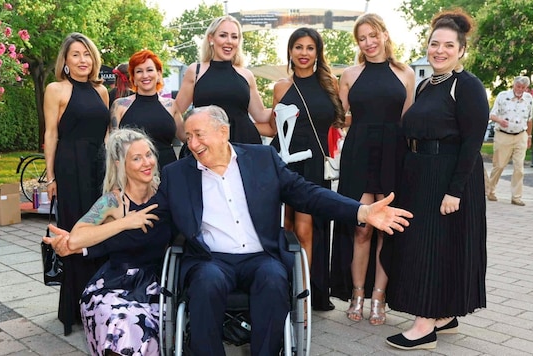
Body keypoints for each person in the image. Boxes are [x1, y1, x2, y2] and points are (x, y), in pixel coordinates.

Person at [156, 105, 413, 356]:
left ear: (223, 132)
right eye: (188, 137)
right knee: (206, 282)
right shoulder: (177, 175)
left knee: (274, 279)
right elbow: (155, 219)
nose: (192, 144)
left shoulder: (262, 159)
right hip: (211, 259)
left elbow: (307, 193)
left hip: (260, 256)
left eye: (198, 134)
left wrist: (362, 211)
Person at [382, 10, 488, 350]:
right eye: (433, 44)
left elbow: (472, 143)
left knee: (431, 250)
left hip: (447, 178)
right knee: (427, 248)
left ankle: (424, 326)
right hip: (420, 175)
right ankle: (444, 315)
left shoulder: (468, 86)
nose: (439, 50)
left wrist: (454, 191)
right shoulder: (427, 84)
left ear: (461, 51)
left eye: (448, 45)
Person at [43, 128, 171, 356]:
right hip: (115, 283)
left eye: (149, 154)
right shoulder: (114, 200)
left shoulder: (164, 193)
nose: (147, 163)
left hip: (156, 284)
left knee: (137, 323)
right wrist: (125, 222)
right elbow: (76, 238)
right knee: (119, 320)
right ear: (120, 164)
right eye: (136, 158)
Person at [329, 13, 415, 326]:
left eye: (373, 35)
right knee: (362, 226)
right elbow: (338, 120)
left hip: (394, 153)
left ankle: (379, 297)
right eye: (362, 38)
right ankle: (357, 293)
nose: (368, 42)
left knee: (386, 230)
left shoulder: (405, 73)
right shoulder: (350, 74)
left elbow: (409, 121)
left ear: (384, 35)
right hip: (359, 153)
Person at [268, 27, 345, 311]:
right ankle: (285, 285)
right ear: (290, 51)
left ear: (317, 52)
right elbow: (272, 126)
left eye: (310, 48)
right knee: (286, 226)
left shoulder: (330, 85)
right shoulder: (280, 87)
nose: (303, 53)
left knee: (305, 227)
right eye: (298, 47)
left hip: (314, 162)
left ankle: (304, 293)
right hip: (284, 160)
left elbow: (339, 122)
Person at [43, 32, 110, 336]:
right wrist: (51, 176)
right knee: (74, 231)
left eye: (87, 54)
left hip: (99, 168)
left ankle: (96, 304)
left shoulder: (102, 91)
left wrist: (113, 174)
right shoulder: (56, 89)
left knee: (99, 233)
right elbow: (51, 134)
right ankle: (72, 309)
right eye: (76, 55)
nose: (83, 60)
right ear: (66, 61)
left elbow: (107, 135)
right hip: (70, 168)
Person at [174, 15, 273, 145]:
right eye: (223, 35)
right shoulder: (195, 71)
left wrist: (286, 101)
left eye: (234, 37)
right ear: (211, 38)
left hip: (244, 146)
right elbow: (175, 110)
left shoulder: (246, 75)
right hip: (205, 147)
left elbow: (260, 114)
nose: (229, 41)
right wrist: (187, 136)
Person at [110, 50, 184, 170]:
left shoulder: (171, 105)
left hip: (167, 172)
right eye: (139, 71)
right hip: (133, 174)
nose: (145, 75)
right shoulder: (120, 106)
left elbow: (186, 137)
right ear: (133, 77)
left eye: (149, 70)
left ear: (159, 74)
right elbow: (113, 147)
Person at [486, 76, 533, 206]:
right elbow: (492, 114)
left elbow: (530, 119)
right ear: (514, 85)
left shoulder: (529, 99)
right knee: (500, 165)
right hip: (503, 135)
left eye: (523, 88)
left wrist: (529, 136)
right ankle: (490, 191)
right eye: (518, 87)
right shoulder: (503, 96)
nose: (520, 90)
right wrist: (500, 120)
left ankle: (516, 197)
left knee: (519, 167)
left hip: (521, 135)